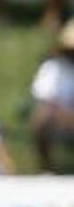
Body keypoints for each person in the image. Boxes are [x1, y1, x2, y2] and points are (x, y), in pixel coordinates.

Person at [30, 18, 74, 173]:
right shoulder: (53, 68)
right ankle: (48, 167)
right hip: (61, 119)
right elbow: (46, 102)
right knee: (43, 117)